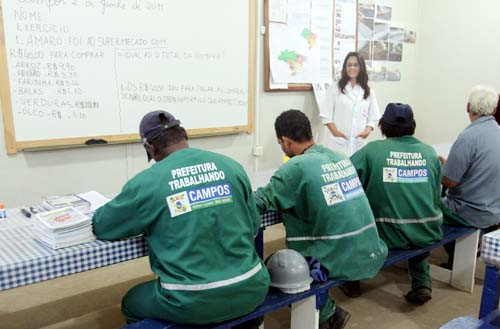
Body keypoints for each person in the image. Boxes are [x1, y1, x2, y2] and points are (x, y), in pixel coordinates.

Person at [92, 110, 270, 328]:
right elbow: (253, 226)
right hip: (252, 287)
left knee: (131, 302)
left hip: (191, 300)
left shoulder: (147, 183)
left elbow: (103, 226)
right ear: (184, 134)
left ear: (151, 148)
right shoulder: (231, 167)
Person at [254, 110, 388, 329]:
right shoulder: (339, 157)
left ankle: (328, 314)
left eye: (280, 144)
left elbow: (260, 201)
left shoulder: (294, 168)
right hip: (371, 248)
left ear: (285, 141)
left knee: (278, 267)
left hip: (340, 256)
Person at [349, 103, 444, 305]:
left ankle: (352, 279)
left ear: (383, 125)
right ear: (413, 125)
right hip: (428, 230)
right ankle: (422, 282)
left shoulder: (372, 151)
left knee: (351, 219)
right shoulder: (429, 153)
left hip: (387, 234)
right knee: (415, 221)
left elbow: (344, 176)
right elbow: (436, 196)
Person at [441, 85, 500, 266]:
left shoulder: (468, 137)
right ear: (495, 109)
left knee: (424, 207)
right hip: (495, 209)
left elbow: (449, 181)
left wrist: (441, 168)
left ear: (468, 107)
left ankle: (453, 259)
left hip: (470, 212)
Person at [319, 52, 380, 156]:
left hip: (359, 144)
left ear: (361, 67)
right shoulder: (334, 88)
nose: (352, 68)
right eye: (349, 65)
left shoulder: (368, 91)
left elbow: (374, 116)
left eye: (356, 65)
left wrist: (367, 130)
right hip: (338, 144)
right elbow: (326, 115)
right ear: (345, 67)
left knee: (357, 170)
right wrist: (336, 133)